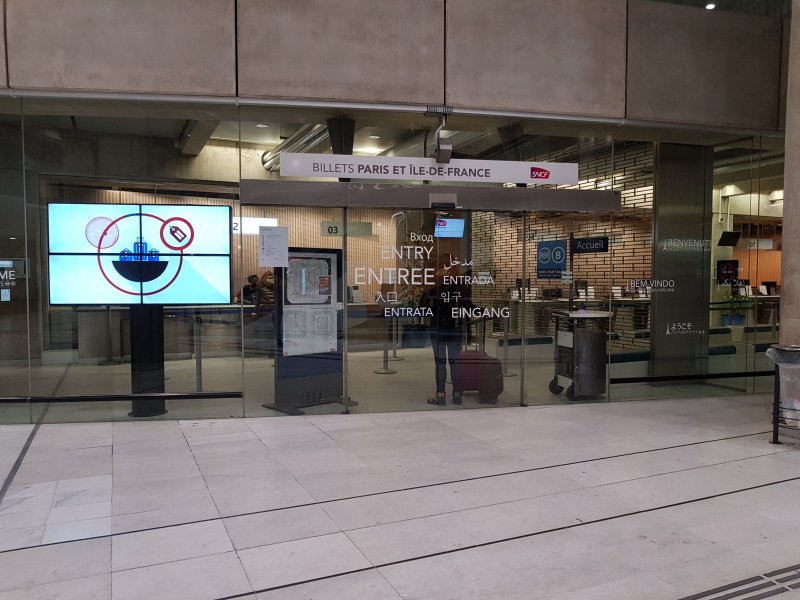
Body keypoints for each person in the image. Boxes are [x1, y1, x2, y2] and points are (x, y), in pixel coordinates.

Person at [419, 266, 476, 406]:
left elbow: (422, 308)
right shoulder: (459, 288)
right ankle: (456, 396)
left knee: (441, 363)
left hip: (439, 330)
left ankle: (441, 396)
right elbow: (469, 308)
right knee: (454, 362)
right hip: (454, 329)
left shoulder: (435, 288)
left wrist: (433, 308)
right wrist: (487, 311)